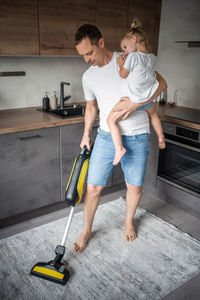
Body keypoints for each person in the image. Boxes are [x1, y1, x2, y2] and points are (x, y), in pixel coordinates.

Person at [73, 24, 167, 253]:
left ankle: (128, 221)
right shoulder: (88, 77)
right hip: (106, 137)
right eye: (82, 55)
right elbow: (91, 107)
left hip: (137, 136)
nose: (86, 59)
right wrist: (86, 134)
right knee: (93, 187)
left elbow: (162, 84)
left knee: (133, 188)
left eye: (89, 53)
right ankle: (87, 230)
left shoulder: (131, 58)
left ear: (101, 43)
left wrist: (137, 103)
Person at [107, 20, 166, 165]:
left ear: (134, 39)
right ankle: (161, 137)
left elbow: (123, 75)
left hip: (130, 100)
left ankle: (119, 148)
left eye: (125, 47)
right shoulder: (152, 58)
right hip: (145, 100)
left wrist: (120, 64)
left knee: (110, 120)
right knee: (153, 114)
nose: (125, 51)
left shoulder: (133, 57)